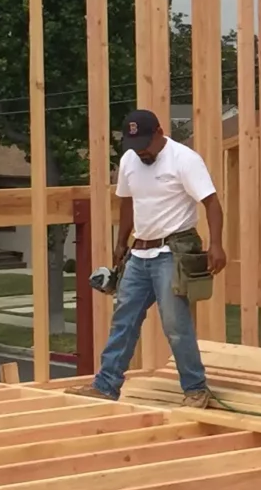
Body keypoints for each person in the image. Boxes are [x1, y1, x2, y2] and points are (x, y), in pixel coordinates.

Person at [89, 108, 227, 407]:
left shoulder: (184, 160)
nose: (142, 154)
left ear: (160, 133)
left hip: (173, 250)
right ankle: (105, 386)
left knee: (175, 324)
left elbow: (212, 203)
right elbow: (127, 202)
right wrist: (120, 242)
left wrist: (216, 244)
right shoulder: (129, 160)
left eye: (146, 147)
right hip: (139, 252)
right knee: (124, 320)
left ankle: (196, 389)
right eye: (135, 147)